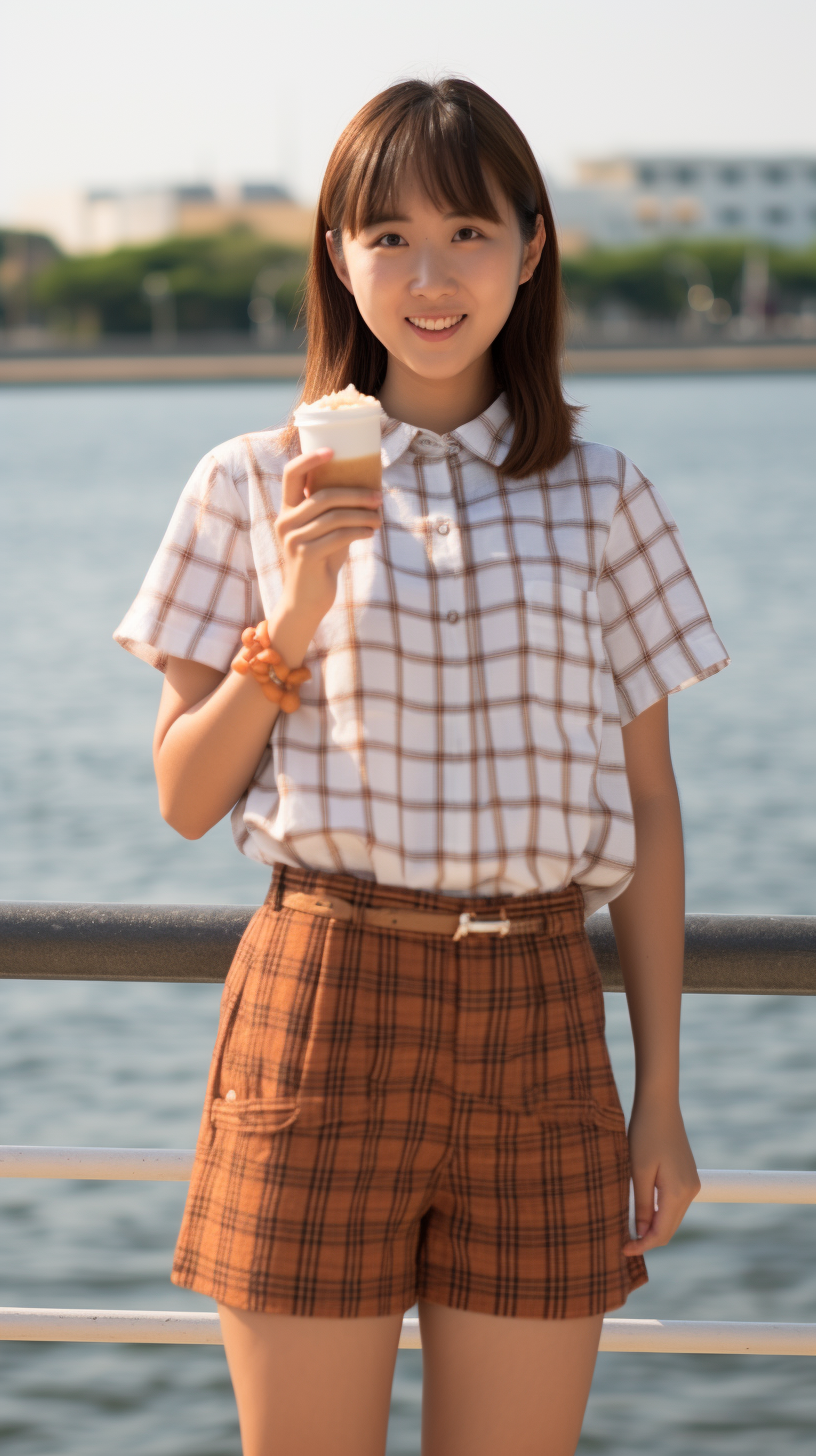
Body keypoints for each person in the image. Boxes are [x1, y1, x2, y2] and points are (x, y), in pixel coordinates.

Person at [114, 77, 729, 1456]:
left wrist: (661, 1099)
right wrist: (296, 616)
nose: (430, 276)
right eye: (386, 236)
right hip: (324, 1005)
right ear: (337, 254)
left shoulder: (604, 491)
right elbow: (184, 798)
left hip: (540, 1013)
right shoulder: (247, 481)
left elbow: (649, 809)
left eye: (467, 231)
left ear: (534, 245)